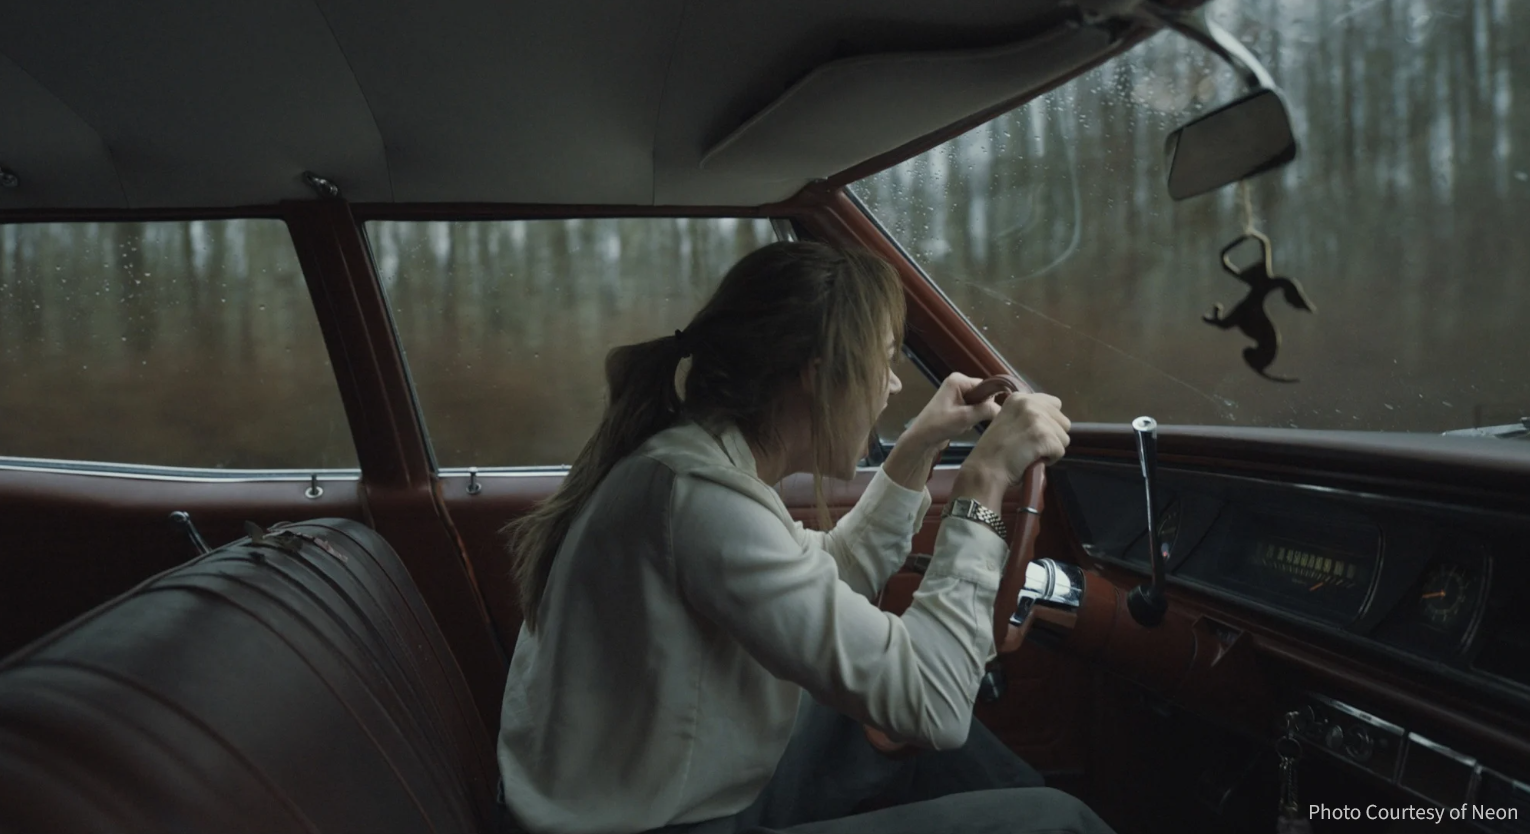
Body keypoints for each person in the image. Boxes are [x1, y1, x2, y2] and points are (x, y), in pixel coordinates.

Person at [497, 241, 1113, 834]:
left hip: (652, 797)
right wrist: (982, 483)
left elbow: (829, 575)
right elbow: (934, 702)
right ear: (818, 376)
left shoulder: (693, 463)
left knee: (868, 732)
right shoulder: (700, 499)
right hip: (657, 822)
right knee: (1059, 823)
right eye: (886, 360)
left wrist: (919, 446)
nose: (893, 386)